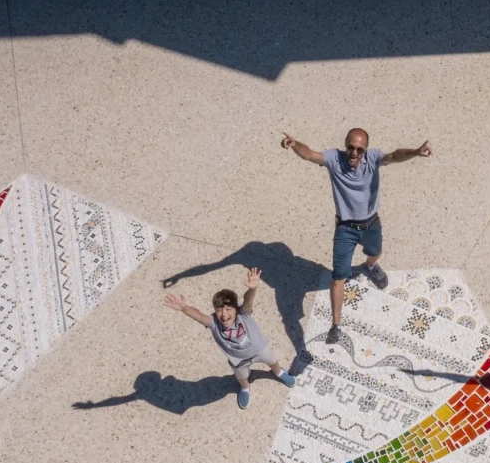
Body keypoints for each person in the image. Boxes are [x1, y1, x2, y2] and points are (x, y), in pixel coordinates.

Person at [280, 127, 432, 344]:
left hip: (371, 223)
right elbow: (310, 154)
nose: (354, 153)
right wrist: (296, 145)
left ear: (366, 150)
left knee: (375, 252)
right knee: (338, 277)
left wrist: (415, 152)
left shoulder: (373, 158)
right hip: (346, 229)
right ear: (345, 145)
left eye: (360, 149)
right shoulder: (334, 159)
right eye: (351, 147)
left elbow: (395, 156)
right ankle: (335, 326)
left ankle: (371, 265)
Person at [164, 267, 296, 409]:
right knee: (241, 377)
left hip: (259, 350)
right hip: (238, 361)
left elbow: (248, 300)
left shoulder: (243, 313)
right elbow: (200, 316)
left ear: (236, 309)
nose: (223, 314)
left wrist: (252, 289)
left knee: (272, 360)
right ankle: (245, 388)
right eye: (219, 310)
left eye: (228, 309)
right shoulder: (214, 323)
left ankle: (278, 372)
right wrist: (184, 308)